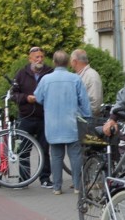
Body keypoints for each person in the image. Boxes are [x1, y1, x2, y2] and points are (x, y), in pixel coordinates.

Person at [33, 50, 91, 195]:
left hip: (53, 124)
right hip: (72, 124)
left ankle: (57, 187)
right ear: (67, 63)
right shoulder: (75, 79)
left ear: (54, 62)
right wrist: (88, 119)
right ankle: (77, 186)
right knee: (75, 156)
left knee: (56, 156)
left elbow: (38, 98)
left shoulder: (45, 79)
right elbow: (84, 102)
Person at [12, 46, 54, 188]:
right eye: (37, 57)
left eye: (42, 56)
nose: (40, 59)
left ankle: (45, 179)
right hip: (26, 117)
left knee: (45, 149)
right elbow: (13, 94)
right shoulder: (22, 74)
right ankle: (24, 180)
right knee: (24, 150)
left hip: (43, 117)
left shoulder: (50, 72)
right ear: (30, 59)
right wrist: (25, 98)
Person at [71, 49, 103, 117]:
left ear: (74, 62)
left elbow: (95, 105)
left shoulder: (91, 76)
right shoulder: (79, 75)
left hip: (87, 121)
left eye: (71, 60)